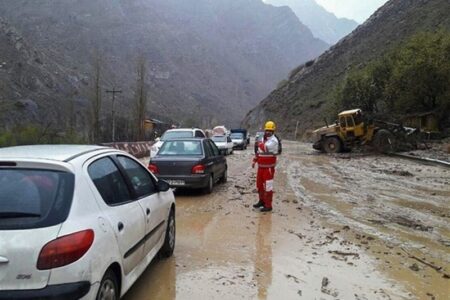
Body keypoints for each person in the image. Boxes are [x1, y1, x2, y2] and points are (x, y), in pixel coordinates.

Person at [252, 121, 279, 212]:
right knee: (259, 185)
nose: (268, 132)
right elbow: (260, 152)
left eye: (270, 131)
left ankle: (268, 205)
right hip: (261, 167)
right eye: (267, 130)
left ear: (273, 131)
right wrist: (255, 160)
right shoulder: (264, 139)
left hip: (268, 168)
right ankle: (262, 201)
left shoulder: (274, 141)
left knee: (268, 187)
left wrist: (258, 143)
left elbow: (265, 148)